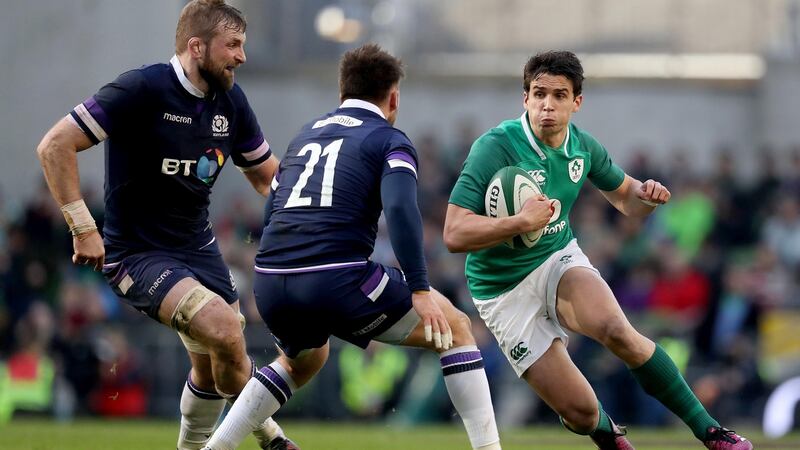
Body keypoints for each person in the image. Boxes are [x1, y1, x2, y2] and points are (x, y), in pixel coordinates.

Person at [443, 51, 753, 450]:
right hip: (501, 291)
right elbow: (454, 233)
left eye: (559, 95)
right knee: (581, 413)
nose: (547, 105)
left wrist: (648, 197)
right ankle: (610, 435)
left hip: (556, 260)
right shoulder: (495, 146)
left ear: (577, 102)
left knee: (616, 331)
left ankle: (710, 430)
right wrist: (520, 221)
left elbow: (627, 198)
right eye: (538, 94)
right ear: (525, 98)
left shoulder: (582, 146)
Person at [202, 43, 501, 450]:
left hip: (271, 280)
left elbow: (271, 210)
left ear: (342, 92)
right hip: (336, 278)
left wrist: (278, 272)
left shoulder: (305, 135)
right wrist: (420, 287)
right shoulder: (388, 139)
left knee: (302, 360)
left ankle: (215, 447)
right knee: (456, 328)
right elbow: (399, 208)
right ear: (393, 97)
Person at [35, 1, 297, 449]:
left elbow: (266, 176)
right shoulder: (143, 88)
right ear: (197, 47)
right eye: (232, 45)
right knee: (224, 329)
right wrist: (82, 226)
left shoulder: (231, 102)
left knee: (216, 368)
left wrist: (318, 206)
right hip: (136, 254)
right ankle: (271, 438)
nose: (241, 57)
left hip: (198, 250)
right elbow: (55, 145)